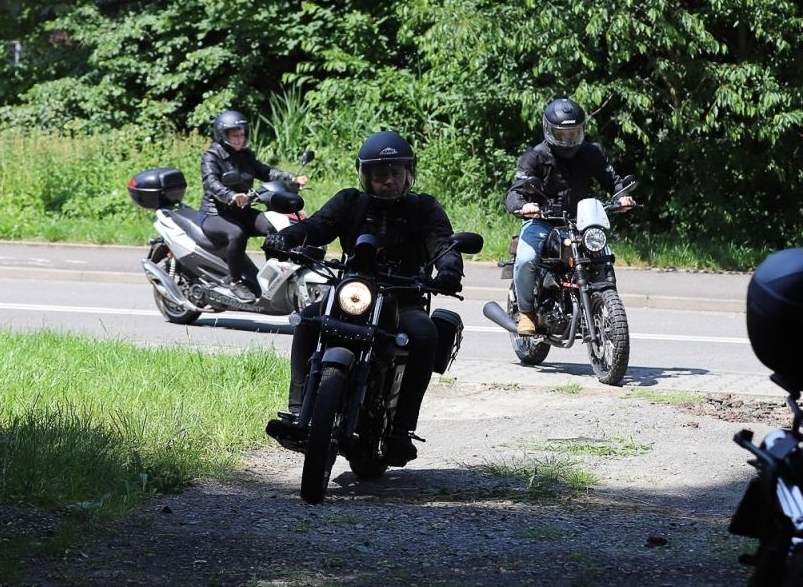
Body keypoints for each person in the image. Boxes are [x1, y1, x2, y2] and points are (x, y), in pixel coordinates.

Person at [262, 131, 464, 465]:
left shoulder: (423, 208)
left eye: (396, 172)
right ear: (366, 175)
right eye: (380, 174)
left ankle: (401, 429)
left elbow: (442, 243)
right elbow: (317, 226)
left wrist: (449, 270)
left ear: (408, 173)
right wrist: (286, 237)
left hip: (404, 298)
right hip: (354, 292)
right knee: (309, 321)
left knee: (426, 333)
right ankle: (298, 412)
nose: (389, 180)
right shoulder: (350, 202)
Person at [503, 98, 635, 336]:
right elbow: (515, 191)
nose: (568, 139)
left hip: (582, 222)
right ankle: (526, 313)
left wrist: (622, 196)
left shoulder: (591, 153)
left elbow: (612, 179)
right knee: (526, 258)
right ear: (548, 130)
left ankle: (603, 304)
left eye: (573, 133)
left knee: (601, 256)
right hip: (543, 221)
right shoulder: (536, 156)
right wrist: (523, 207)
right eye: (561, 134)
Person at [200, 108, 308, 303]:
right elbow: (211, 183)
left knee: (273, 226)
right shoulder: (212, 156)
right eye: (235, 135)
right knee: (237, 234)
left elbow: (266, 172)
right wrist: (231, 196)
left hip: (242, 210)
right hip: (216, 213)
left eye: (242, 134)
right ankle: (234, 282)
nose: (239, 139)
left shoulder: (245, 155)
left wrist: (291, 179)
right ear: (222, 134)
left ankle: (274, 275)